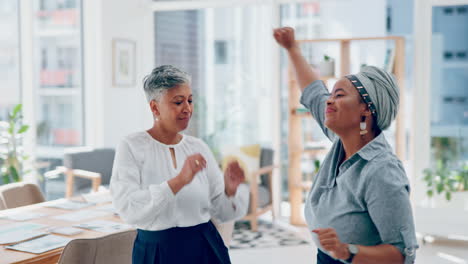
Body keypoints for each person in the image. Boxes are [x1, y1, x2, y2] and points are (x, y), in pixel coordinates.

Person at [273, 27, 419, 264]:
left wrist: (348, 251)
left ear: (366, 109)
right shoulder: (341, 140)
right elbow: (313, 91)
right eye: (331, 94)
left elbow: (402, 255)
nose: (329, 100)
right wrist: (292, 48)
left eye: (339, 95)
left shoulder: (381, 171)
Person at [110, 65, 249, 264]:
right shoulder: (131, 146)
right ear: (155, 107)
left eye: (190, 100)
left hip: (205, 247)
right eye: (178, 102)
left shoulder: (198, 147)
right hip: (156, 252)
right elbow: (129, 208)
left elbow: (222, 213)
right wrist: (179, 181)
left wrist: (229, 191)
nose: (188, 108)